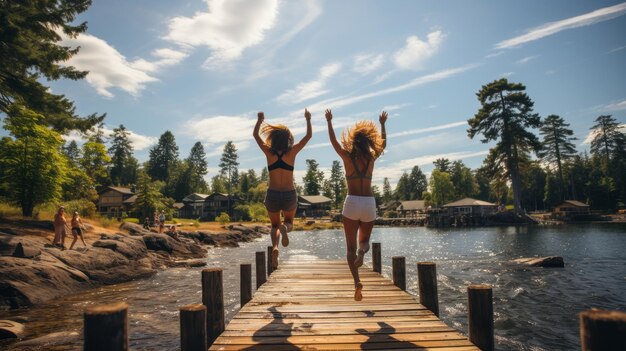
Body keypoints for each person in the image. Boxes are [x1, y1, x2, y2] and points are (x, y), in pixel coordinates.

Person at [326, 108, 387, 301]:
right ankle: (363, 252)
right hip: (368, 203)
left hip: (352, 202)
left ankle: (356, 282)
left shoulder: (347, 157)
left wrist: (329, 121)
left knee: (349, 249)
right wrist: (383, 124)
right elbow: (383, 144)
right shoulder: (371, 158)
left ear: (353, 141)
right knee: (364, 242)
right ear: (368, 141)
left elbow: (334, 143)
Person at [254, 109, 312, 269]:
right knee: (289, 222)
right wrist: (308, 119)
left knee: (273, 226)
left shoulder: (269, 153)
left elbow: (256, 137)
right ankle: (285, 229)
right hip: (289, 193)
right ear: (288, 140)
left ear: (273, 139)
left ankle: (275, 248)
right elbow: (308, 137)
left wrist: (259, 121)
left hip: (272, 193)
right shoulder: (291, 153)